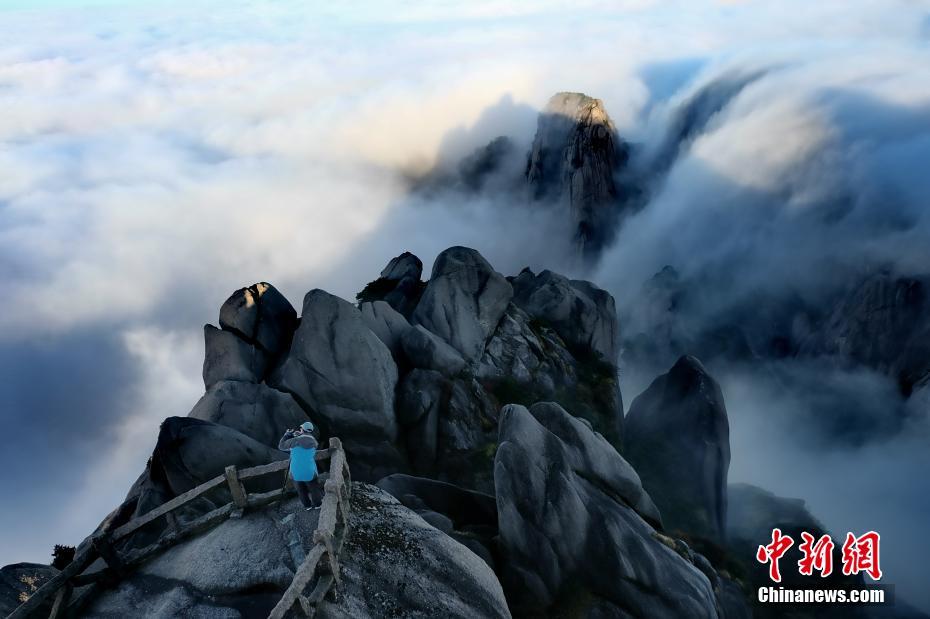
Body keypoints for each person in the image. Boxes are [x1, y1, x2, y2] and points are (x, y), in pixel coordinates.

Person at [278, 421, 321, 510]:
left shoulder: (294, 441)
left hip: (295, 472)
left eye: (301, 428)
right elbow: (307, 441)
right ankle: (317, 505)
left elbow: (281, 446)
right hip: (310, 471)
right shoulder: (314, 442)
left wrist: (287, 435)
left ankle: (307, 506)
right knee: (314, 488)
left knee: (301, 490)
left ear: (302, 429)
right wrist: (300, 435)